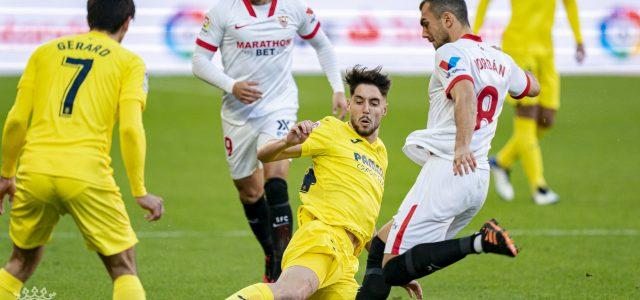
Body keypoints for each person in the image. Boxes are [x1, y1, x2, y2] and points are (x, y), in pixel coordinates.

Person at [356, 1, 541, 298]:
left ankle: (481, 242)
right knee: (379, 246)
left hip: (448, 170)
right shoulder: (499, 58)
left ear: (447, 19)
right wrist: (501, 62)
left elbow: (465, 91)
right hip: (477, 178)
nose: (423, 32)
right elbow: (532, 88)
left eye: (426, 23)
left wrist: (461, 147)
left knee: (392, 268)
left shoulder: (449, 52)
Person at [0, 1, 164, 299]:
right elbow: (130, 129)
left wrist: (5, 175)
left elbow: (16, 120)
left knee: (20, 262)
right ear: (127, 22)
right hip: (86, 173)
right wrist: (140, 190)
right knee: (123, 266)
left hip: (35, 170)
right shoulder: (130, 63)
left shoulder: (44, 52)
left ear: (89, 16)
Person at [192, 0, 346, 282]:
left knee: (275, 180)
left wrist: (337, 87)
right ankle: (270, 253)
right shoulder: (223, 12)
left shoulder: (293, 8)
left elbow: (322, 45)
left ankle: (282, 267)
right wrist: (231, 85)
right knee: (249, 191)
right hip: (238, 113)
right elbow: (199, 61)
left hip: (280, 106)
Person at [227, 66, 411, 300]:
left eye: (374, 103)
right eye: (359, 101)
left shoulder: (380, 153)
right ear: (349, 104)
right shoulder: (331, 130)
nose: (366, 109)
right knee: (288, 295)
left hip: (346, 261)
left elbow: (363, 219)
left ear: (384, 109)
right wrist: (286, 142)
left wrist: (397, 267)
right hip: (322, 238)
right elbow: (264, 154)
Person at [474, 0, 585, 205]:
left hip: (545, 49)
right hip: (519, 46)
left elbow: (570, 4)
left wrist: (578, 37)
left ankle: (502, 161)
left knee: (546, 119)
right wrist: (473, 34)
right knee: (527, 115)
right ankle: (539, 186)